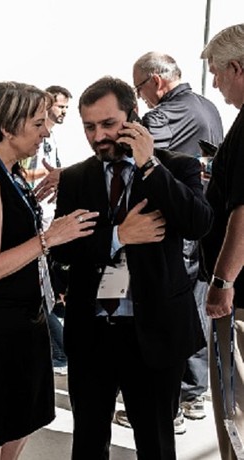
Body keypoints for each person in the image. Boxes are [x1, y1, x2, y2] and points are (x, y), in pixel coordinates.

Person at [52, 76, 212, 459]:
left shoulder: (177, 167)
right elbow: (64, 249)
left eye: (108, 124)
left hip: (154, 331)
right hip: (93, 332)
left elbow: (198, 223)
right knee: (88, 442)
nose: (98, 135)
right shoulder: (75, 178)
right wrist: (118, 235)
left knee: (156, 443)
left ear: (133, 118)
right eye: (89, 126)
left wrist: (150, 166)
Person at [0, 81, 97, 459]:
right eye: (37, 123)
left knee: (23, 415)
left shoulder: (11, 170)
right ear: (7, 128)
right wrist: (50, 237)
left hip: (23, 315)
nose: (47, 131)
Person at [112, 51, 224, 432]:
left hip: (171, 230)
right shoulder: (208, 106)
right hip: (199, 229)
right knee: (189, 313)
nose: (140, 97)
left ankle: (168, 406)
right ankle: (192, 394)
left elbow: (128, 150)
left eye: (138, 88)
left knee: (165, 315)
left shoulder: (164, 115)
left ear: (156, 81)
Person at [199, 23, 244, 460]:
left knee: (235, 409)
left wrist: (222, 280)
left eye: (217, 72)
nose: (215, 83)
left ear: (237, 67)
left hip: (239, 298)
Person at [23, 85, 73, 376]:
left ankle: (58, 349)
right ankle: (58, 348)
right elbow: (28, 174)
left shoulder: (51, 138)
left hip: (50, 219)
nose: (63, 111)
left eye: (67, 107)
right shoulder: (38, 139)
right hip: (40, 220)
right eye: (60, 106)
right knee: (41, 289)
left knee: (49, 287)